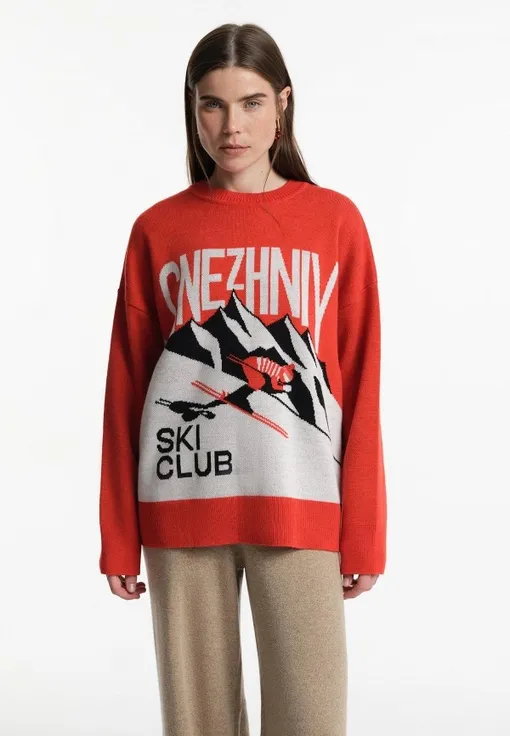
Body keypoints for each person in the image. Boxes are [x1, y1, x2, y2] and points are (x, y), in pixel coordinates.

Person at [98, 21, 387, 736]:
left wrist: (365, 532)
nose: (232, 126)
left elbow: (362, 381)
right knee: (195, 724)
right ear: (193, 109)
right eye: (213, 104)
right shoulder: (158, 230)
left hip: (301, 507)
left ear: (283, 104)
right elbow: (126, 389)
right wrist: (118, 534)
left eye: (252, 103)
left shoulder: (334, 222)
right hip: (181, 505)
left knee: (312, 719)